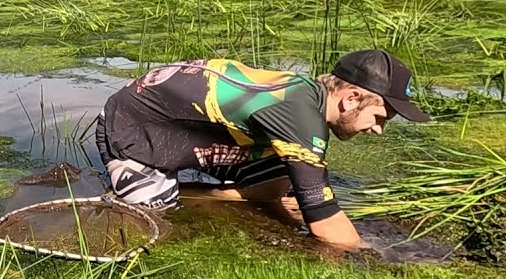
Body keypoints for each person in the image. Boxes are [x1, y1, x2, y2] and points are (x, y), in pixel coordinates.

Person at [94, 50, 430, 250]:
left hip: (184, 128)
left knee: (289, 177)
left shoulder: (305, 94)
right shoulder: (300, 117)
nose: (378, 130)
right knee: (157, 218)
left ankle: (206, 194)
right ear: (352, 98)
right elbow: (326, 225)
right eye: (380, 117)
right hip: (130, 129)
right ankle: (151, 192)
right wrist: (372, 254)